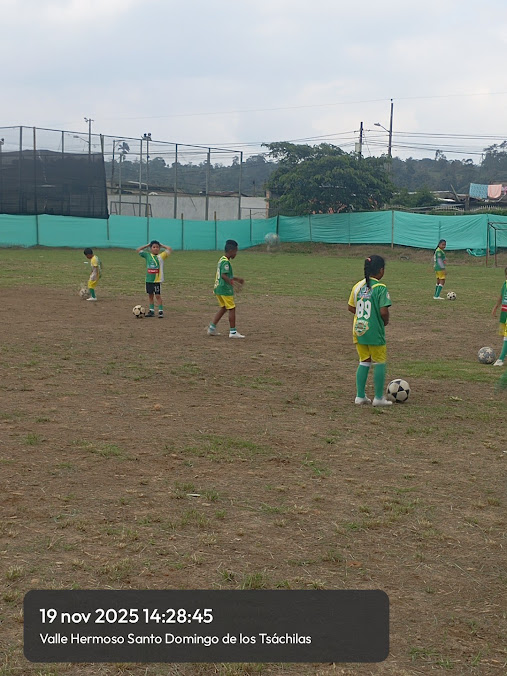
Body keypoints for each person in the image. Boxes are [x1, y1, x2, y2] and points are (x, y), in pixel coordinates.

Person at [348, 255, 392, 406]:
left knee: (364, 361)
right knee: (379, 361)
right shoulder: (380, 288)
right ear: (381, 270)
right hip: (374, 331)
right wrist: (385, 321)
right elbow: (383, 311)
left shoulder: (357, 286)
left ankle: (360, 396)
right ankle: (378, 398)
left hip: (359, 330)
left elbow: (351, 307)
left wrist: (362, 316)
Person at [207, 239, 245, 338]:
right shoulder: (226, 262)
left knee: (224, 308)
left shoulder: (222, 259)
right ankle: (233, 332)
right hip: (225, 289)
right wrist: (232, 283)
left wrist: (237, 279)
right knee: (232, 308)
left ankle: (212, 328)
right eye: (236, 251)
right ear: (231, 251)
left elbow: (225, 274)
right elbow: (224, 275)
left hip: (218, 289)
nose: (236, 254)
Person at [136, 240, 172, 318]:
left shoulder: (161, 256)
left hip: (157, 280)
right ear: (151, 248)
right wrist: (147, 245)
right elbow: (138, 250)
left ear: (159, 248)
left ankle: (160, 311)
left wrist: (162, 245)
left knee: (158, 296)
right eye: (154, 247)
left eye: (157, 247)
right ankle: (151, 311)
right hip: (149, 280)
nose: (156, 248)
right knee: (150, 295)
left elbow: (169, 249)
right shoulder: (147, 255)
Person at [491, 266, 507, 366]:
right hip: (504, 314)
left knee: (506, 336)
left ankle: (501, 359)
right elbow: (501, 296)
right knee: (503, 335)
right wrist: (496, 306)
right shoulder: (505, 284)